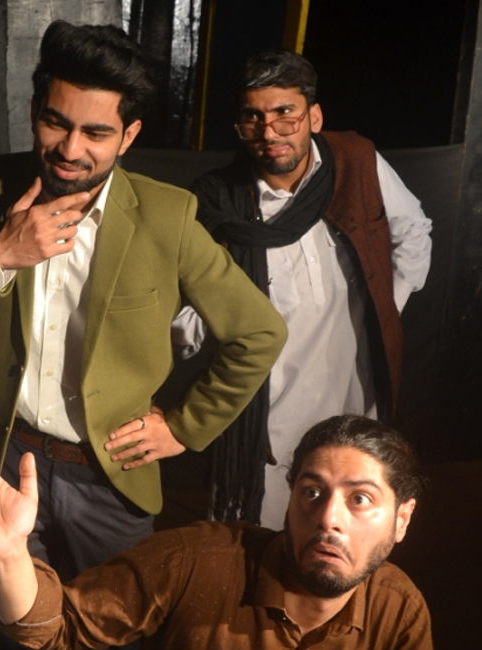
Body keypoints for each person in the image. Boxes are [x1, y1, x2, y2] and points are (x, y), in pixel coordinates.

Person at [0, 20, 286, 650]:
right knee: (4, 637)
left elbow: (259, 332)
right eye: (55, 123)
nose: (70, 148)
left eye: (96, 132)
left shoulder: (168, 215)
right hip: (3, 456)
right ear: (36, 111)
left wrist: (183, 426)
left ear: (129, 135)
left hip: (110, 475)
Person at [0, 414, 443, 650]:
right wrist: (9, 554)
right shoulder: (197, 559)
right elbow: (56, 625)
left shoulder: (398, 608)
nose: (329, 518)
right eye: (312, 492)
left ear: (402, 519)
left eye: (360, 500)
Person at [182, 50, 432, 529]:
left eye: (285, 114)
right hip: (266, 421)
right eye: (253, 117)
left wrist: (385, 307)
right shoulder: (217, 202)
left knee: (346, 538)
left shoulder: (356, 162)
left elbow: (413, 231)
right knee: (261, 540)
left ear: (313, 117)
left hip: (354, 401)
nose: (269, 132)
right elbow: (187, 316)